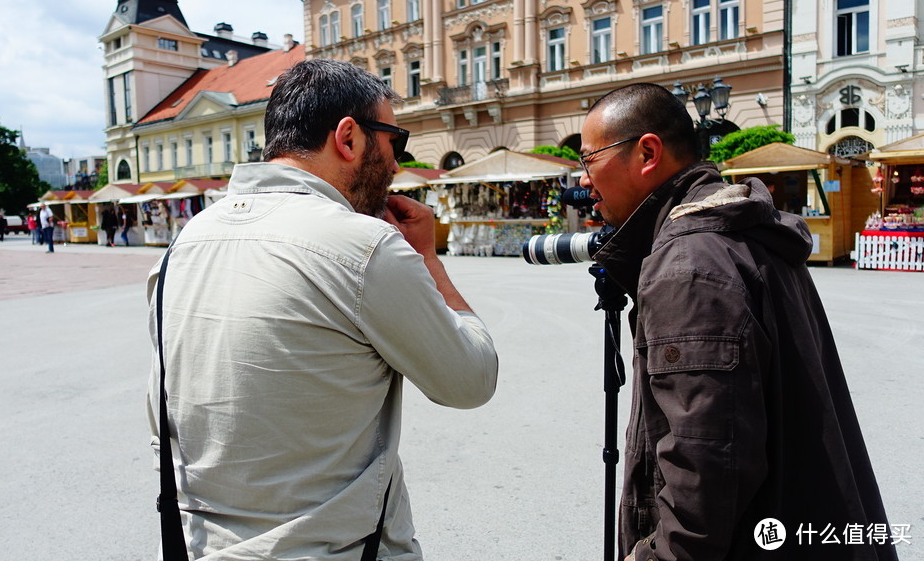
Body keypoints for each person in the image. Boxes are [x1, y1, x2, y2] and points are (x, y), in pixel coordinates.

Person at [145, 59, 498, 560]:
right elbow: (472, 379)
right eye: (394, 140)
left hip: (198, 548)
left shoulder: (183, 245)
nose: (396, 164)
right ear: (349, 138)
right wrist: (426, 258)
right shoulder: (365, 246)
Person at [576, 84, 896, 561]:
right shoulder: (742, 229)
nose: (583, 180)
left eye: (588, 159)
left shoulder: (688, 265)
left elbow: (705, 469)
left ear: (647, 153)